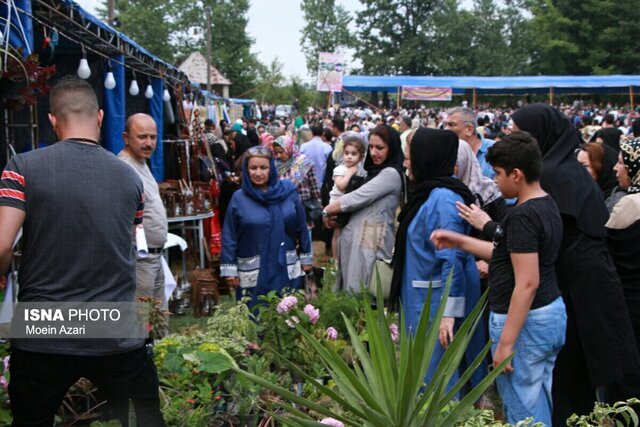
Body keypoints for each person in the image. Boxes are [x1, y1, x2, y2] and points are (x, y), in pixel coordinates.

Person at [0, 76, 165, 426]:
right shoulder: (130, 178)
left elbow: (2, 243)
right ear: (102, 117)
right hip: (114, 325)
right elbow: (126, 242)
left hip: (43, 327)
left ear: (52, 120)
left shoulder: (22, 169)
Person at [511, 103, 638, 424]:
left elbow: (546, 238)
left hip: (575, 292)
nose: (512, 138)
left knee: (566, 381)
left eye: (519, 133)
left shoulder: (553, 176)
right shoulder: (566, 170)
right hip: (585, 288)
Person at [431, 132, 567, 425]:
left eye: (498, 174)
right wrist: (459, 241)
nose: (494, 181)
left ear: (516, 174)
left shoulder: (523, 216)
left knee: (523, 409)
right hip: (548, 315)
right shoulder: (545, 204)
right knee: (537, 397)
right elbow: (505, 253)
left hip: (525, 323)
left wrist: (506, 343)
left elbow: (527, 282)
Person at [390, 127, 486, 393]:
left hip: (434, 303)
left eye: (410, 157)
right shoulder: (428, 194)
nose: (406, 163)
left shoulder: (443, 199)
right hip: (423, 297)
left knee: (438, 379)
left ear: (426, 158)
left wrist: (448, 313)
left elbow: (451, 258)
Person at [220, 146, 312, 308]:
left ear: (272, 168)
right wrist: (230, 270)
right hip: (253, 271)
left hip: (285, 265)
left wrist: (306, 256)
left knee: (288, 315)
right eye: (253, 168)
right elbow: (229, 235)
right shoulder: (239, 199)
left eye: (263, 168)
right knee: (255, 314)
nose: (258, 173)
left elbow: (301, 227)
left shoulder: (288, 193)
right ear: (246, 169)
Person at [322, 125, 403, 293]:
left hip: (370, 243)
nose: (373, 153)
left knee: (364, 293)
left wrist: (327, 210)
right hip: (355, 240)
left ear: (392, 148)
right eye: (371, 147)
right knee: (350, 292)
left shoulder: (391, 174)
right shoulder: (371, 172)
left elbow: (356, 198)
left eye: (380, 148)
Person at [118, 114, 168, 313]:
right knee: (143, 320)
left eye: (153, 137)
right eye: (142, 137)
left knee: (157, 319)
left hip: (154, 256)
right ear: (126, 138)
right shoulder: (123, 168)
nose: (149, 143)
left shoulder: (141, 163)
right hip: (139, 259)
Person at [604, 137, 640, 403]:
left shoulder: (630, 204)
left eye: (621, 162)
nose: (616, 169)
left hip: (631, 304)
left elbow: (608, 248)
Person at [272, 135, 322, 239]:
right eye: (276, 153)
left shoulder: (303, 163)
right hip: (283, 209)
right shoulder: (276, 166)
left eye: (281, 151)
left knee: (305, 239)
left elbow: (314, 186)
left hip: (303, 208)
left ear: (289, 148)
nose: (279, 155)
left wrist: (317, 203)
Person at [328, 135, 367, 261]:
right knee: (337, 232)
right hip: (337, 204)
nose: (349, 156)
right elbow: (340, 185)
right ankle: (335, 259)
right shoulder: (340, 169)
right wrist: (350, 173)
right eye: (346, 153)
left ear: (360, 156)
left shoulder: (360, 171)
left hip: (349, 204)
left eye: (353, 154)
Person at [299, 122, 332, 187]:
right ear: (323, 133)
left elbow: (300, 166)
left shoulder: (303, 147)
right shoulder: (328, 148)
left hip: (307, 184)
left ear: (311, 133)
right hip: (322, 184)